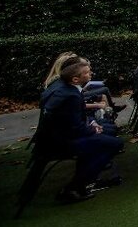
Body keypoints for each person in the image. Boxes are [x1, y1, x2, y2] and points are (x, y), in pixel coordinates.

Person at [37, 61, 125, 202]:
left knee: (107, 136)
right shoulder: (71, 95)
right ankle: (75, 186)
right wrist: (92, 128)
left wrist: (91, 124)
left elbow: (71, 119)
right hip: (63, 142)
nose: (90, 74)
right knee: (116, 144)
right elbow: (74, 127)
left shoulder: (64, 89)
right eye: (86, 72)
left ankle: (83, 180)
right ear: (75, 79)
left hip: (55, 137)